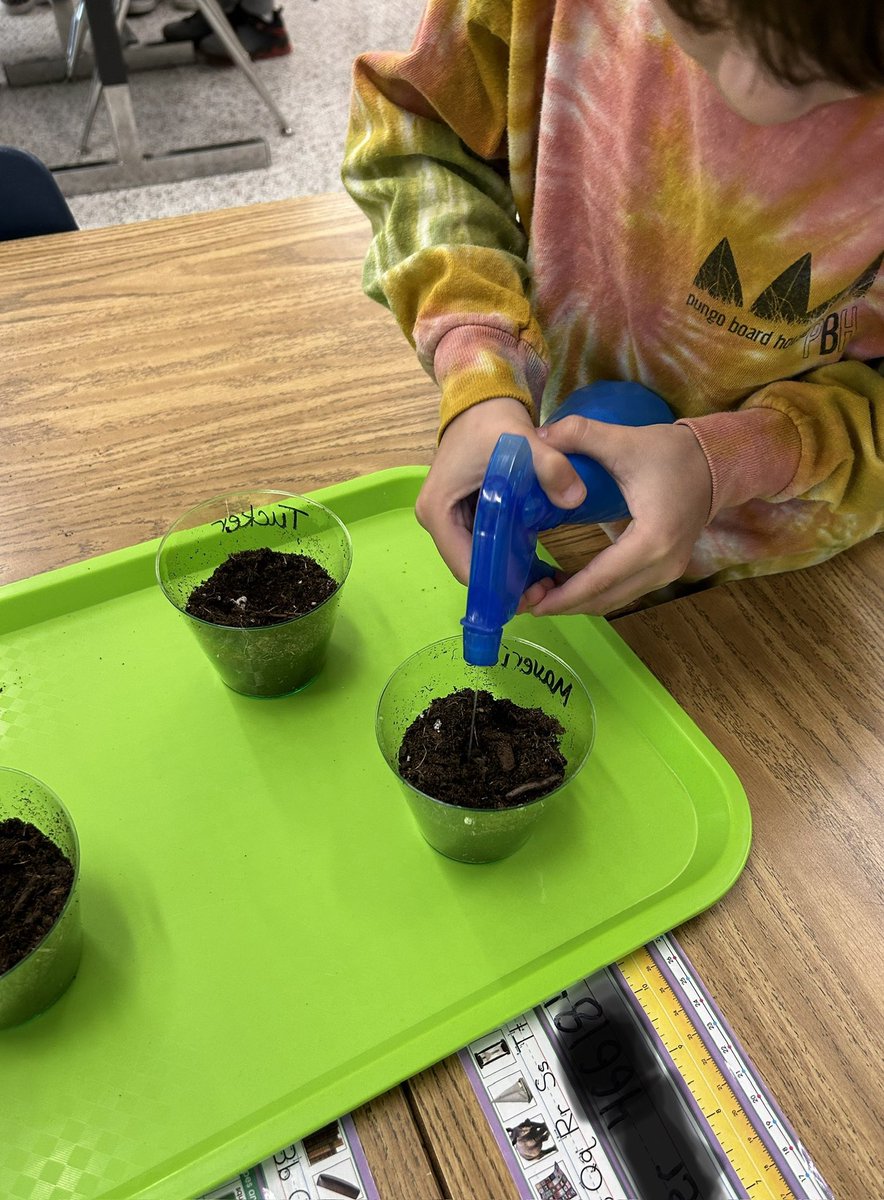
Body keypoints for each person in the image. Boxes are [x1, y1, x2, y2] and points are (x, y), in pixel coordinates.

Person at [341, 0, 884, 618]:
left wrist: (737, 459)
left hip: (779, 565)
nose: (750, 92)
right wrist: (479, 369)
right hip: (547, 470)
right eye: (700, 14)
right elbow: (421, 137)